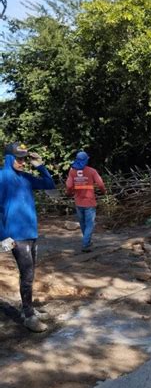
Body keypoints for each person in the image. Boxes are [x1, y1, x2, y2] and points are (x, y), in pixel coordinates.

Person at [0, 142, 55, 332]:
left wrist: (40, 166)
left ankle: (27, 308)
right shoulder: (2, 177)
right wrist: (3, 236)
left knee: (29, 273)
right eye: (19, 158)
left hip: (31, 233)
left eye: (24, 158)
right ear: (9, 158)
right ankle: (28, 316)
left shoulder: (25, 177)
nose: (22, 162)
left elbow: (49, 184)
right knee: (28, 273)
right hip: (16, 236)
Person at [65, 151, 106, 252]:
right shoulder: (92, 171)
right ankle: (86, 243)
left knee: (83, 223)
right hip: (89, 202)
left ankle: (86, 241)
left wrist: (69, 193)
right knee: (90, 224)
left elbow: (69, 186)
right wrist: (104, 192)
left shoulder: (72, 171)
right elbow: (100, 184)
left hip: (78, 202)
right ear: (86, 160)